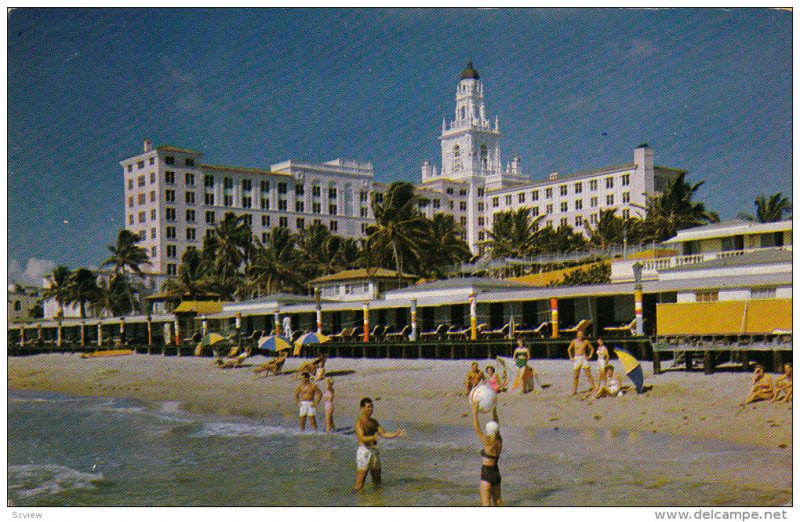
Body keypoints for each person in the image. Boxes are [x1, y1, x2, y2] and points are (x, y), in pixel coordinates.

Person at [353, 397, 407, 493]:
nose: (371, 409)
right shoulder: (359, 423)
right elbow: (361, 438)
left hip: (374, 451)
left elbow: (383, 433)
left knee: (378, 480)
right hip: (364, 451)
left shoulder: (374, 422)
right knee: (360, 484)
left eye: (372, 407)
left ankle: (377, 500)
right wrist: (373, 438)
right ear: (362, 408)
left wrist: (396, 434)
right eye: (368, 407)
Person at [471, 400, 502, 506]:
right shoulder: (499, 441)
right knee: (498, 502)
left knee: (486, 505)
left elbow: (476, 429)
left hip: (487, 473)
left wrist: (474, 412)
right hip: (496, 473)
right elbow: (496, 423)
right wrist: (494, 410)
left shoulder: (488, 442)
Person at [567, 329, 596, 395]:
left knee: (588, 374)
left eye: (581, 334)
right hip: (577, 358)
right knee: (576, 376)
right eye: (579, 334)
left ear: (583, 335)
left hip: (583, 357)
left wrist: (590, 356)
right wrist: (571, 357)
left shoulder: (586, 341)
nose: (580, 336)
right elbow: (569, 349)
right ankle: (574, 390)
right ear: (577, 335)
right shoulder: (574, 341)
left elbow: (592, 348)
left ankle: (594, 388)